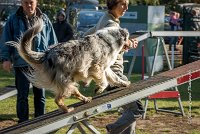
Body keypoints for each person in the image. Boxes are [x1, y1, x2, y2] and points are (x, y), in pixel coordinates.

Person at [84, 0, 144, 133]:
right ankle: (113, 130)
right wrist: (128, 44)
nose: (126, 8)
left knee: (129, 111)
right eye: (123, 4)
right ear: (113, 4)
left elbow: (87, 35)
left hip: (109, 74)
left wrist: (125, 44)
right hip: (114, 75)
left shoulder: (104, 18)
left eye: (127, 4)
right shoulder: (111, 24)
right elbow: (115, 41)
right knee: (137, 108)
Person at [0, 0, 58, 123]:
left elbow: (53, 41)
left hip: (40, 64)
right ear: (21, 3)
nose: (29, 5)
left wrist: (55, 59)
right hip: (21, 63)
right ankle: (23, 123)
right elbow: (6, 40)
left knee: (40, 95)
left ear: (36, 3)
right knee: (22, 96)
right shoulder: (13, 19)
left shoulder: (45, 19)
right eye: (26, 2)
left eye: (31, 2)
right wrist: (5, 59)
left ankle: (39, 122)